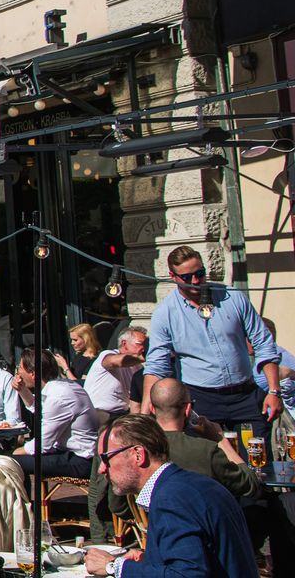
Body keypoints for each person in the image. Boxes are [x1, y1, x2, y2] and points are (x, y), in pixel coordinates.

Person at [83, 414, 255, 578]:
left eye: (106, 459)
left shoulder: (170, 500)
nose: (101, 469)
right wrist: (150, 561)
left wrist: (114, 566)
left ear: (138, 455)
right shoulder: (195, 484)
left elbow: (186, 574)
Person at [143, 244, 283, 437]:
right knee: (207, 456)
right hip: (201, 399)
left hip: (245, 394)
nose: (195, 281)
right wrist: (144, 416)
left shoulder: (233, 297)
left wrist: (274, 391)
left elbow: (263, 342)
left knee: (256, 452)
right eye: (186, 277)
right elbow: (157, 365)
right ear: (173, 276)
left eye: (200, 274)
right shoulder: (165, 313)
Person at [10, 346, 97, 479]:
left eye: (20, 368)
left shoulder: (59, 397)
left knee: (9, 462)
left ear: (33, 373)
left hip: (80, 459)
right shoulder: (61, 386)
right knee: (12, 459)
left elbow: (41, 445)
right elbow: (39, 409)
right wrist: (22, 390)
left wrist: (15, 453)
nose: (18, 373)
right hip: (69, 452)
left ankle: (19, 493)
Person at [84, 327, 147, 421]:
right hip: (100, 413)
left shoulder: (138, 367)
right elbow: (117, 362)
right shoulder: (107, 355)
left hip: (122, 415)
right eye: (140, 344)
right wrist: (145, 357)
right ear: (124, 344)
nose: (144, 348)